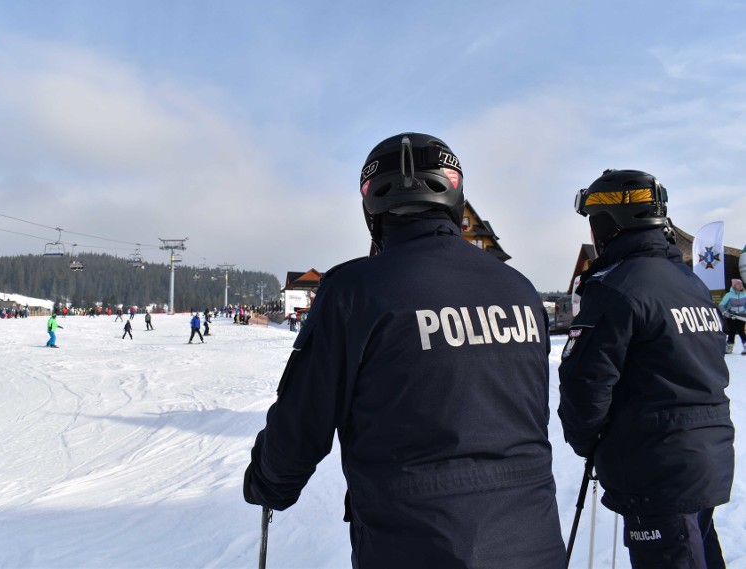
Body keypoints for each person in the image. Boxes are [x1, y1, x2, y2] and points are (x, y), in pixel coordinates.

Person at [244, 133, 565, 568]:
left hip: (415, 541)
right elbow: (529, 408)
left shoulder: (355, 291)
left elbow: (303, 418)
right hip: (533, 538)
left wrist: (269, 481)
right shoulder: (519, 289)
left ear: (372, 207)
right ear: (454, 196)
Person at [559, 169, 734, 569]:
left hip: (655, 468)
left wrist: (590, 441)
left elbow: (585, 383)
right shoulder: (689, 283)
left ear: (609, 222)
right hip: (703, 458)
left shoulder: (617, 286)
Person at [718, 278, 746, 354]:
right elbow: (721, 304)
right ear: (734, 285)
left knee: (741, 330)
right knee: (732, 331)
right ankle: (729, 347)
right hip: (731, 316)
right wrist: (724, 312)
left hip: (741, 315)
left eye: (741, 283)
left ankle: (745, 346)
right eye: (738, 283)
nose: (740, 285)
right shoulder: (729, 295)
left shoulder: (744, 294)